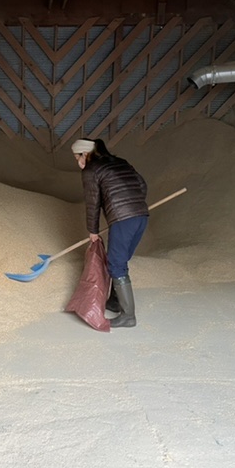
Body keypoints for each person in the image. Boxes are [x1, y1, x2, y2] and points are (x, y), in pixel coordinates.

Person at [71, 138, 149, 328]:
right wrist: (134, 204)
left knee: (116, 263)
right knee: (119, 260)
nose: (78, 162)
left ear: (84, 154)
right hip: (141, 216)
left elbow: (92, 203)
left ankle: (128, 316)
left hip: (123, 220)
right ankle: (114, 302)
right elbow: (142, 185)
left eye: (77, 157)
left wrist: (93, 231)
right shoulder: (120, 162)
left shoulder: (91, 170)